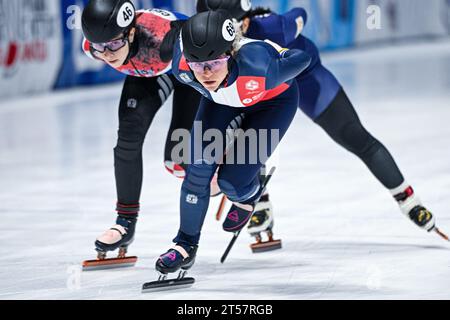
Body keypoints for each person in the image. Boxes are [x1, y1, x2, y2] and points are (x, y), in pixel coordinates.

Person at [196, 0, 438, 242]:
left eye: (224, 30)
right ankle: (259, 201)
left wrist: (288, 25)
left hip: (304, 78)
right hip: (255, 87)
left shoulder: (272, 28)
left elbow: (300, 14)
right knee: (241, 137)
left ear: (245, 22)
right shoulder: (203, 49)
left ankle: (408, 199)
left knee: (353, 135)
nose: (213, 41)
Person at [153, 10, 312, 277]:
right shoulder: (182, 67)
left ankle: (249, 196)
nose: (205, 73)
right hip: (220, 102)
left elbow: (303, 58)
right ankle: (184, 244)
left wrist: (280, 52)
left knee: (232, 183)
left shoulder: (260, 66)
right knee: (198, 169)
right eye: (197, 64)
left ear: (231, 53)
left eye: (214, 63)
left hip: (272, 103)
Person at [81, 0, 202, 264]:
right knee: (127, 139)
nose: (108, 54)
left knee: (179, 160)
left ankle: (248, 188)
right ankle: (124, 222)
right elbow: (105, 46)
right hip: (146, 72)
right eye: (100, 48)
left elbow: (207, 39)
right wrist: (106, 47)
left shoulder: (163, 38)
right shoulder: (94, 44)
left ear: (132, 32)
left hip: (189, 69)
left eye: (113, 44)